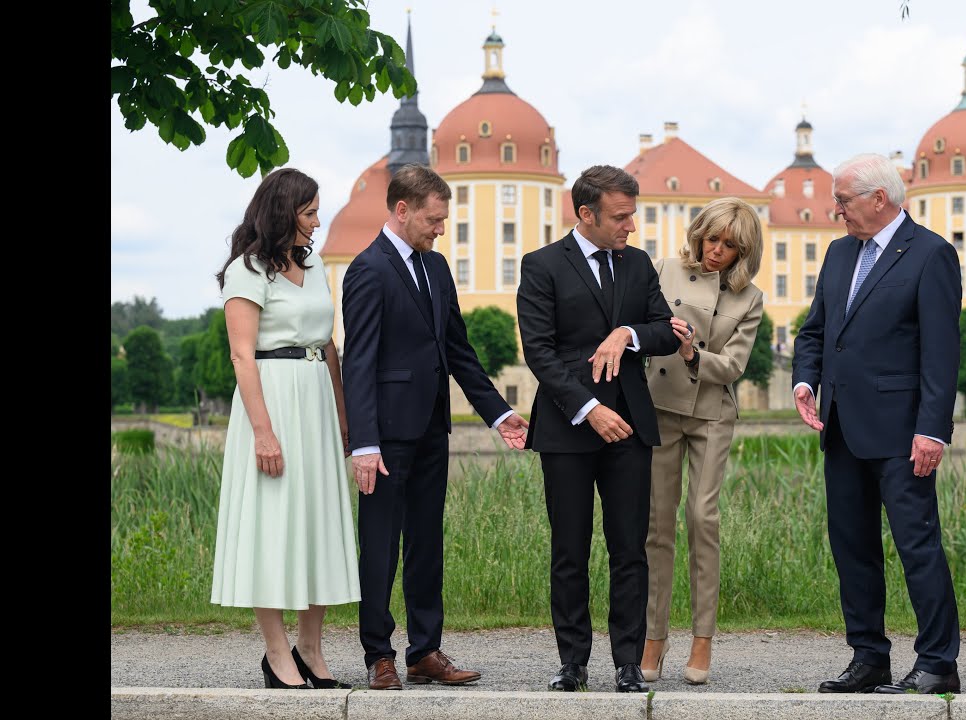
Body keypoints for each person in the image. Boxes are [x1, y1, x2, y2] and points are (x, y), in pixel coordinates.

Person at [341, 163, 529, 691]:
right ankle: (378, 654)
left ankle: (424, 651)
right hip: (385, 437)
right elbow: (359, 362)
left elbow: (457, 352)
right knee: (379, 545)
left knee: (427, 542)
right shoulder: (367, 269)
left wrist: (498, 413)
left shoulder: (438, 267)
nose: (441, 228)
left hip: (431, 429)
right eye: (434, 218)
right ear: (402, 210)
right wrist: (365, 444)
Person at [792, 153, 964, 695]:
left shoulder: (931, 253)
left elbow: (941, 351)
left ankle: (938, 663)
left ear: (878, 199)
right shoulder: (840, 253)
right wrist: (805, 380)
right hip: (841, 427)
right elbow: (815, 330)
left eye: (842, 200)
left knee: (918, 548)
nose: (835, 209)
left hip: (902, 432)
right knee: (852, 546)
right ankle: (869, 657)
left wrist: (932, 429)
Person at [516, 165, 682, 693]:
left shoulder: (637, 265)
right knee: (570, 549)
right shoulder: (541, 265)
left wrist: (626, 332)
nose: (630, 226)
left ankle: (628, 664)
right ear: (585, 214)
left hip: (630, 423)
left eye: (632, 215)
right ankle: (573, 662)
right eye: (621, 216)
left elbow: (665, 331)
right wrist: (588, 408)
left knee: (630, 549)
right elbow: (539, 353)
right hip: (568, 427)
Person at [210, 167, 360, 690]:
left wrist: (344, 414)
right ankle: (277, 656)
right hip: (271, 398)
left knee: (316, 523)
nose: (318, 222)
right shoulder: (247, 271)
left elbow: (329, 343)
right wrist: (264, 433)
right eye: (310, 212)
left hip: (316, 398)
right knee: (272, 525)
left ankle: (312, 651)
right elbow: (242, 357)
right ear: (283, 213)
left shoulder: (314, 263)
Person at [638, 197, 765, 685]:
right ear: (699, 235)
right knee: (657, 527)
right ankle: (654, 638)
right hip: (659, 407)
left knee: (702, 519)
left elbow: (733, 366)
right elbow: (641, 330)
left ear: (743, 251)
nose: (717, 252)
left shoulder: (749, 298)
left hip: (711, 413)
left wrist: (693, 353)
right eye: (713, 240)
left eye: (730, 245)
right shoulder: (663, 269)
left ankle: (702, 639)